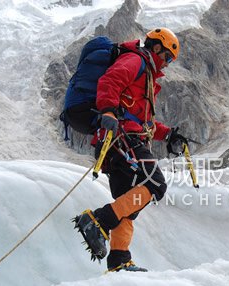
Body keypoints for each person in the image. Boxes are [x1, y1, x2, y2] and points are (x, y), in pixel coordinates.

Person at [74, 28, 188, 272]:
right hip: (121, 138)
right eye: (167, 57)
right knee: (155, 184)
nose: (166, 64)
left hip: (123, 138)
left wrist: (168, 134)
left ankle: (119, 259)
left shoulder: (145, 76)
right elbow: (110, 81)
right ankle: (98, 221)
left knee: (129, 203)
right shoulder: (136, 60)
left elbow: (144, 122)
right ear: (156, 47)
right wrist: (107, 110)